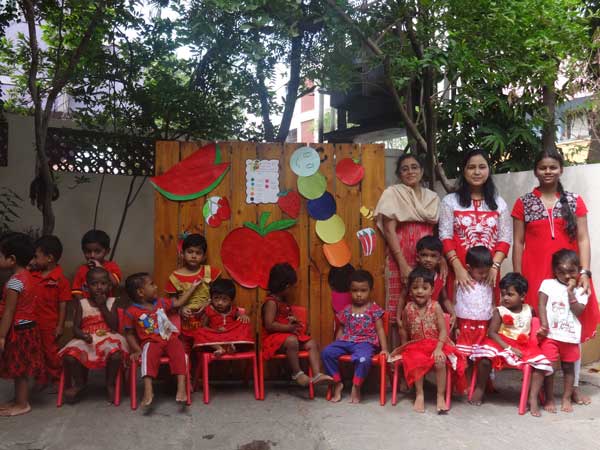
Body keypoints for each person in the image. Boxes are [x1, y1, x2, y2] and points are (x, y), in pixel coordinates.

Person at [512, 148, 600, 405]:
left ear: (561, 170)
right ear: (535, 171)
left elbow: (583, 239)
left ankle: (573, 388)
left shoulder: (574, 201)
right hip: (536, 273)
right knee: (541, 328)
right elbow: (518, 243)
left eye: (552, 167)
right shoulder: (523, 203)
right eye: (543, 167)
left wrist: (584, 272)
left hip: (570, 274)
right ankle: (541, 389)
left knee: (573, 327)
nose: (547, 171)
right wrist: (518, 278)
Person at [375, 154, 441, 332]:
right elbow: (389, 230)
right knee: (398, 306)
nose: (410, 171)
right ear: (399, 174)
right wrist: (403, 265)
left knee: (427, 304)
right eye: (405, 169)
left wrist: (440, 260)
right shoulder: (393, 194)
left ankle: (425, 345)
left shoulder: (432, 198)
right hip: (399, 258)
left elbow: (435, 233)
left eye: (414, 167)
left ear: (422, 171)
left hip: (427, 259)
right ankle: (398, 347)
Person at [469, 272, 553, 405]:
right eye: (503, 294)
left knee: (540, 365)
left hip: (523, 346)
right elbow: (492, 333)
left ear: (522, 296)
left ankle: (532, 397)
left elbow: (533, 328)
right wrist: (509, 348)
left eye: (510, 294)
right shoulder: (500, 311)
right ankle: (480, 388)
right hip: (501, 343)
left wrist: (539, 334)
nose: (505, 298)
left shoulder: (529, 310)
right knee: (485, 360)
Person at [439, 149, 512, 299]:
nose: (477, 172)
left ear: (489, 170)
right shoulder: (450, 201)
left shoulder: (499, 203)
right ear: (464, 171)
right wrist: (458, 267)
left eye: (482, 167)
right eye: (471, 167)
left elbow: (505, 238)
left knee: (489, 310)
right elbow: (445, 236)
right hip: (459, 270)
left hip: (489, 273)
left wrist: (494, 267)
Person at [391, 267, 466, 413]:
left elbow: (443, 330)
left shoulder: (436, 307)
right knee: (416, 359)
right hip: (416, 345)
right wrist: (404, 348)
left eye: (424, 288)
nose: (420, 291)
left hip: (437, 344)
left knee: (440, 360)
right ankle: (419, 394)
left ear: (431, 290)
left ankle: (440, 396)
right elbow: (404, 330)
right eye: (415, 288)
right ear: (410, 290)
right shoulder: (408, 308)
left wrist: (438, 349)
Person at [529, 250, 589, 416]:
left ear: (579, 270)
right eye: (561, 272)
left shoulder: (581, 290)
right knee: (549, 368)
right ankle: (549, 398)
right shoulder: (547, 284)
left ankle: (566, 398)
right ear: (555, 270)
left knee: (569, 368)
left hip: (570, 337)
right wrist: (544, 324)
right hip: (551, 336)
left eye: (571, 271)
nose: (567, 276)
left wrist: (570, 293)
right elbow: (541, 305)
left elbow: (578, 311)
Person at [59, 267, 128, 403]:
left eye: (103, 283)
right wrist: (82, 335)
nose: (99, 287)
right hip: (87, 339)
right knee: (69, 357)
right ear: (86, 286)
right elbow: (75, 328)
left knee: (115, 355)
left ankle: (110, 383)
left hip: (108, 337)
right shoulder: (82, 303)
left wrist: (102, 306)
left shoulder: (112, 302)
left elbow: (114, 326)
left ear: (109, 285)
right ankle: (80, 383)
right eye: (94, 284)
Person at [124, 272, 193, 408]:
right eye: (152, 284)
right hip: (151, 342)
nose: (156, 287)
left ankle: (181, 387)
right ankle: (148, 390)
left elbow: (178, 302)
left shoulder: (161, 302)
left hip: (169, 338)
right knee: (147, 353)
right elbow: (129, 334)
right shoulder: (131, 311)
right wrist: (137, 350)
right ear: (141, 292)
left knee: (180, 350)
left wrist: (192, 288)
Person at [321, 270, 389, 403]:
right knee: (326, 352)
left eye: (363, 290)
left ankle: (357, 385)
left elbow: (380, 330)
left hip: (365, 343)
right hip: (346, 341)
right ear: (349, 291)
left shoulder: (374, 310)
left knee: (363, 359)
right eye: (355, 290)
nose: (359, 294)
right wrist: (336, 345)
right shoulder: (347, 310)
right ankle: (337, 383)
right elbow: (341, 329)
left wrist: (385, 349)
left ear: (370, 290)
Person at [261, 263, 332, 388]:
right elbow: (269, 325)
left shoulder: (283, 302)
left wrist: (293, 321)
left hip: (287, 337)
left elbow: (285, 319)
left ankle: (317, 374)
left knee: (312, 343)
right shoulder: (271, 302)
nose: (293, 290)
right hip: (273, 340)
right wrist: (288, 327)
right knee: (292, 341)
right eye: (292, 287)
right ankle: (297, 373)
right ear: (286, 286)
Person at [0, 233, 42, 416]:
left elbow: (9, 312)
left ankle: (22, 404)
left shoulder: (15, 282)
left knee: (20, 369)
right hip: (29, 328)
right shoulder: (28, 276)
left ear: (12, 259)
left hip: (19, 330)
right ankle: (18, 400)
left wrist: (1, 336)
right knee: (21, 367)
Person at [30, 235, 71, 388]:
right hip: (32, 323)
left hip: (49, 325)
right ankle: (41, 379)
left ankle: (57, 379)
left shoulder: (61, 280)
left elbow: (63, 305)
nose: (33, 260)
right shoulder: (32, 275)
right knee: (36, 352)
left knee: (51, 353)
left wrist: (60, 326)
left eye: (36, 256)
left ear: (49, 258)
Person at [165, 234, 221, 341]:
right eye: (190, 252)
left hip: (208, 317)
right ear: (182, 254)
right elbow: (173, 302)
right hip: (187, 321)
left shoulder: (210, 272)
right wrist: (181, 309)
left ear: (204, 256)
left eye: (198, 253)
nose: (194, 256)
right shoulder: (175, 277)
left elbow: (219, 293)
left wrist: (209, 303)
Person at [395, 236, 456, 330]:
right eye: (424, 255)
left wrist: (453, 313)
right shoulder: (412, 276)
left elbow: (444, 299)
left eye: (433, 256)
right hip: (412, 319)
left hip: (431, 321)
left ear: (439, 259)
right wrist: (398, 317)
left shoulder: (440, 278)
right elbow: (402, 297)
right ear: (417, 257)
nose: (428, 259)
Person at [192, 278, 254, 355]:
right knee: (199, 331)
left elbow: (240, 316)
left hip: (231, 334)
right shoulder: (209, 310)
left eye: (224, 299)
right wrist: (216, 330)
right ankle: (219, 348)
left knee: (244, 324)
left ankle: (232, 347)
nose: (220, 303)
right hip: (215, 336)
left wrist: (243, 316)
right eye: (216, 298)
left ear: (231, 301)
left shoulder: (233, 309)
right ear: (211, 298)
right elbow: (204, 326)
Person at [454, 246, 494, 357]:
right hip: (464, 325)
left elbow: (492, 304)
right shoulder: (459, 282)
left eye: (487, 272)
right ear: (468, 268)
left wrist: (491, 325)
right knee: (464, 354)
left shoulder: (488, 282)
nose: (484, 275)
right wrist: (456, 326)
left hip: (483, 326)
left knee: (480, 354)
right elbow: (454, 304)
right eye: (481, 273)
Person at [71, 229, 122, 300]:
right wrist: (85, 303)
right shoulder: (81, 270)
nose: (92, 255)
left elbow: (115, 283)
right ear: (83, 251)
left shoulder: (112, 266)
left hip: (107, 303)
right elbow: (76, 291)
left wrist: (101, 268)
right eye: (88, 251)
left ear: (107, 251)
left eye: (97, 251)